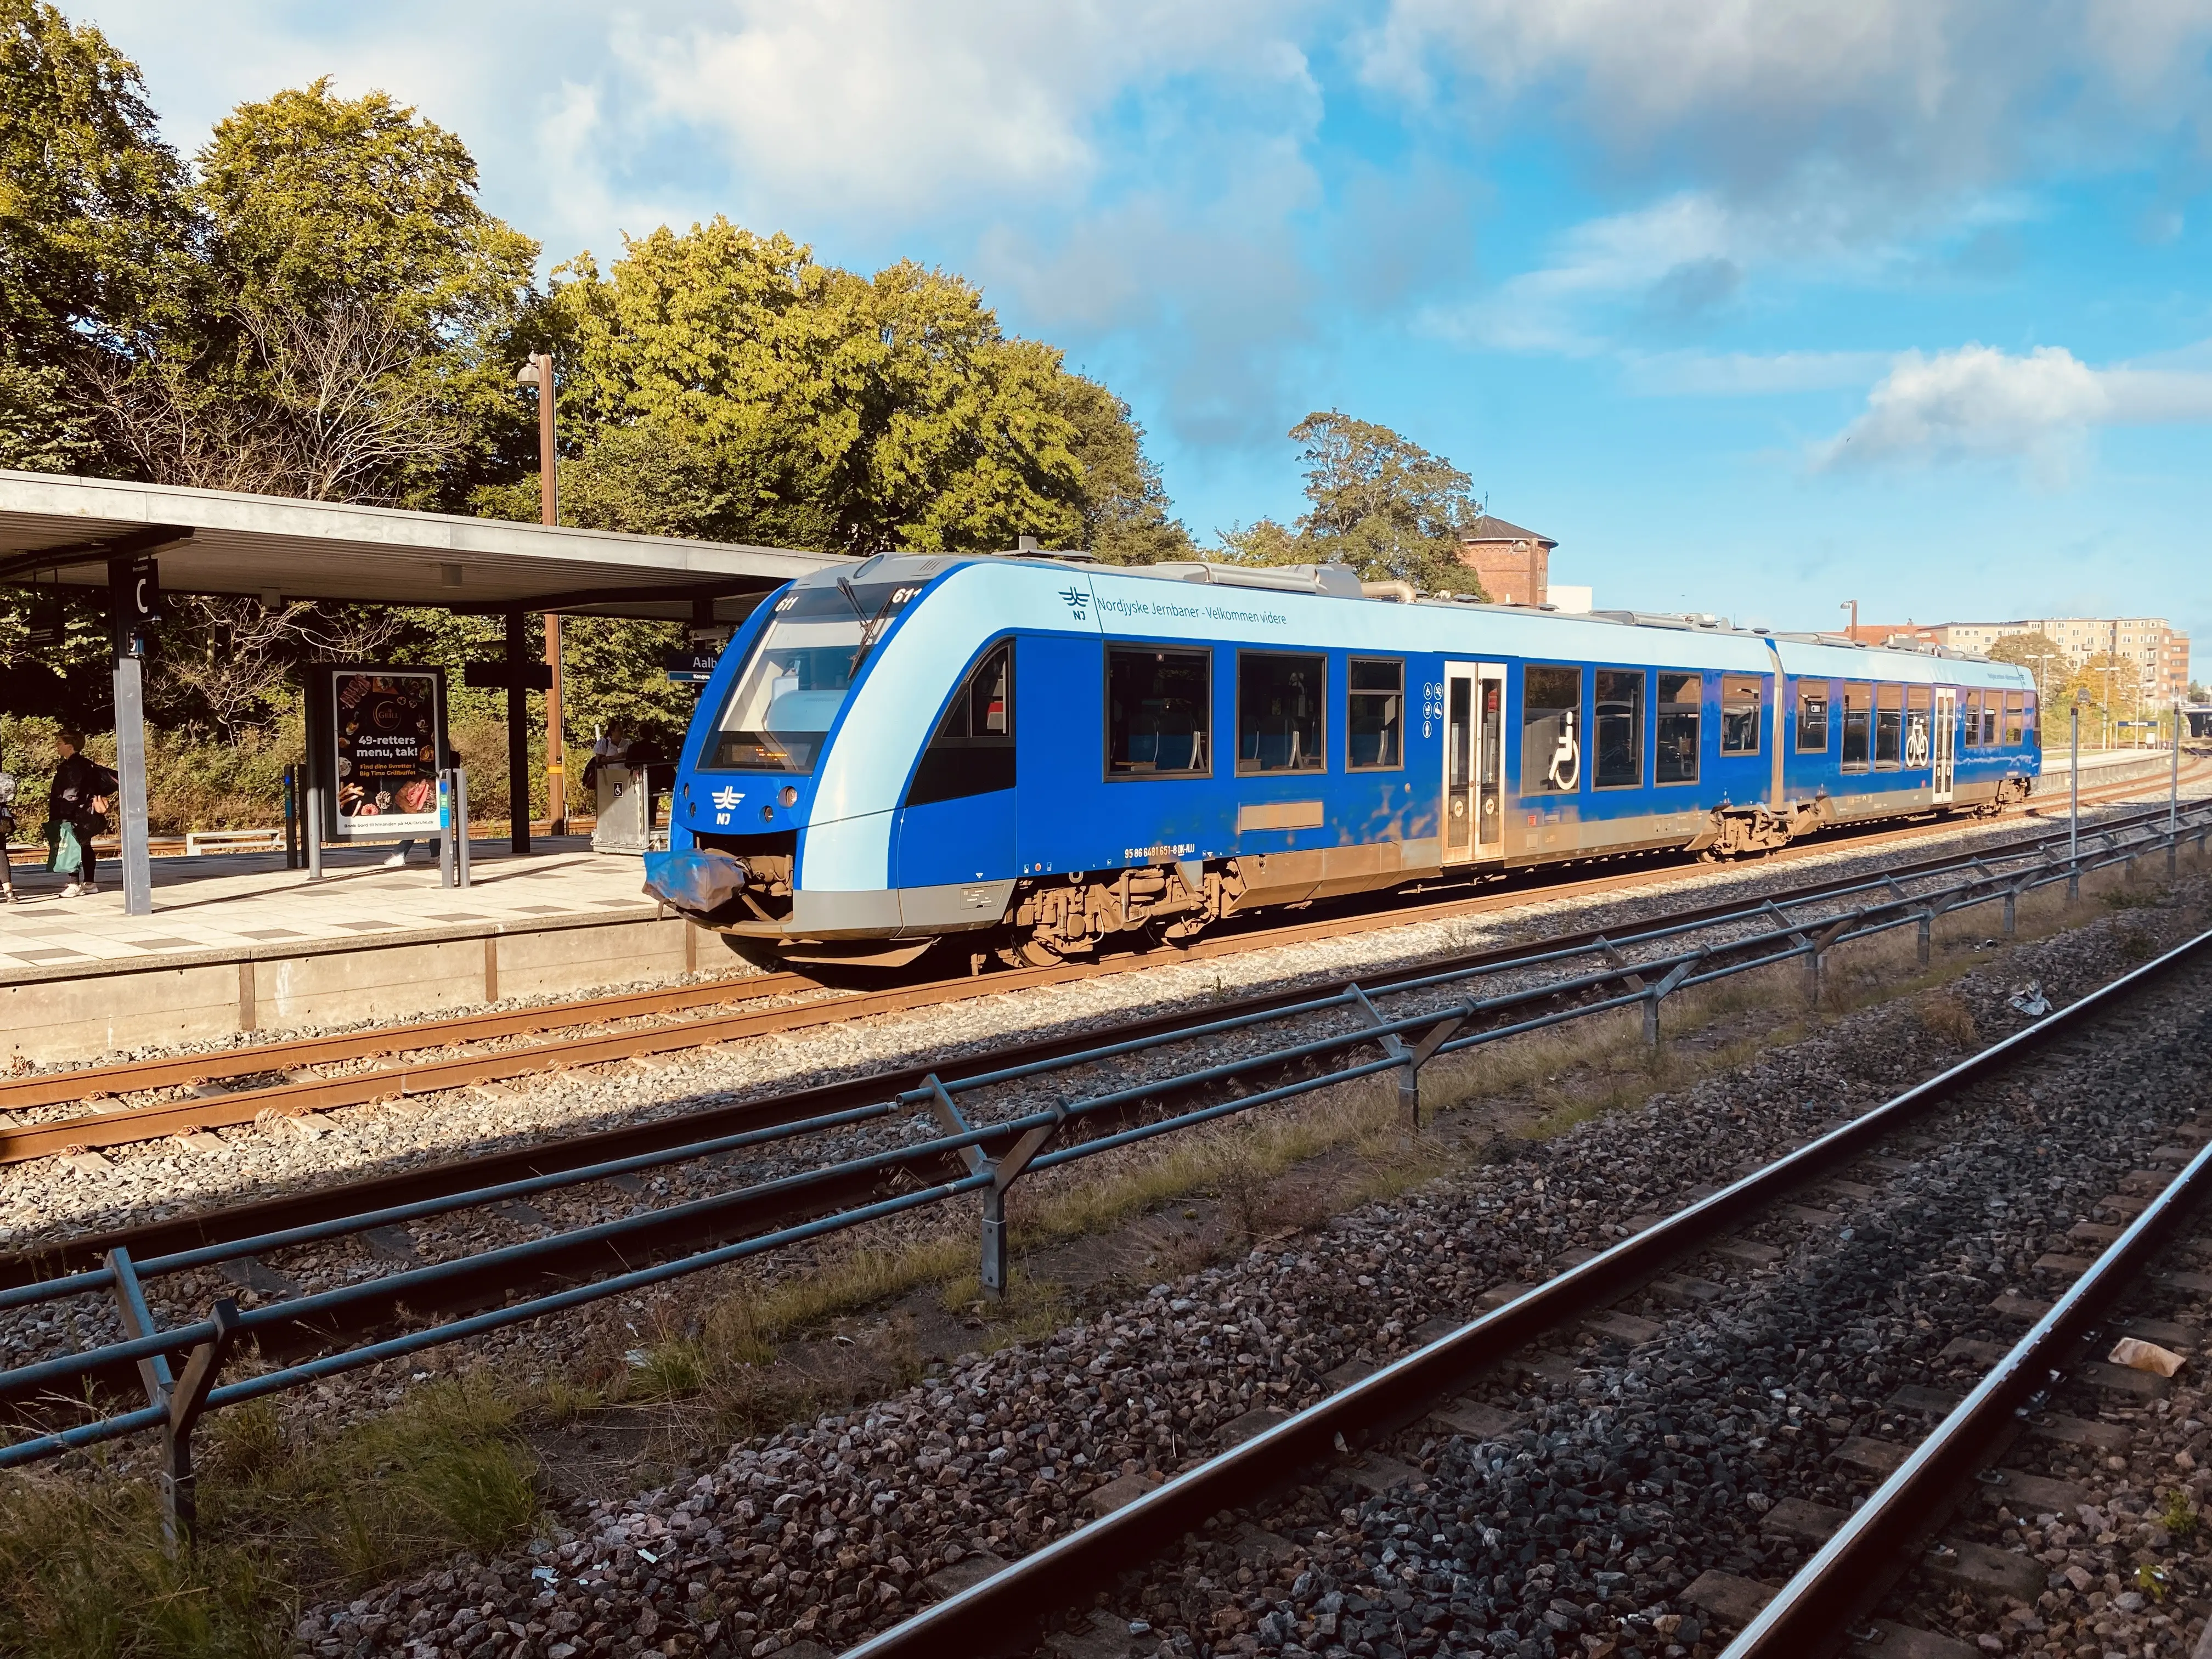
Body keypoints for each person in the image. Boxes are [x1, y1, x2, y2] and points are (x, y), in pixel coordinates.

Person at [49, 730, 116, 898]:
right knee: (85, 846)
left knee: (71, 846)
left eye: (60, 743)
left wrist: (65, 815)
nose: (57, 746)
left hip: (75, 813)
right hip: (87, 812)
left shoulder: (72, 767)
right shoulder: (86, 764)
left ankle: (73, 884)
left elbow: (71, 793)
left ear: (70, 746)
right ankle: (90, 883)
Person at [384, 747, 462, 867]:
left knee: (435, 825)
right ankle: (431, 854)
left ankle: (404, 853)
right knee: (426, 825)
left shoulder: (447, 759)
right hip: (432, 798)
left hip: (436, 795)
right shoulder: (438, 763)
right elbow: (400, 796)